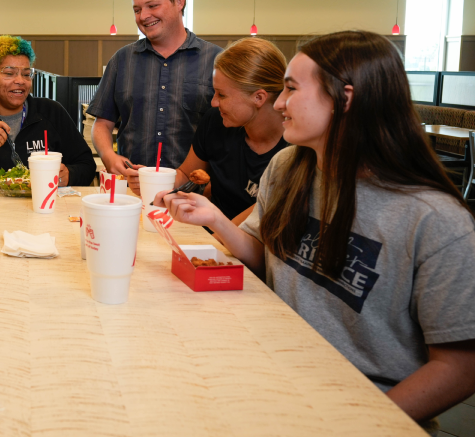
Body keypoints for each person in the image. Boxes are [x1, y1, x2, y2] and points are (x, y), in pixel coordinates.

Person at [158, 31, 475, 433]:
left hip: (357, 413)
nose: (277, 103)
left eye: (290, 89)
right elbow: (260, 253)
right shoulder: (289, 167)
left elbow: (460, 367)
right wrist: (216, 220)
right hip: (272, 381)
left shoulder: (435, 220)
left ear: (345, 99)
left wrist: (361, 423)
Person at [87, 0, 222, 195]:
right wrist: (110, 157)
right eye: (137, 9)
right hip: (133, 191)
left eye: (152, 6)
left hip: (195, 194)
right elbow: (102, 124)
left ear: (179, 1)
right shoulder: (122, 60)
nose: (143, 16)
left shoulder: (217, 61)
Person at [0, 35, 96, 186]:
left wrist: (69, 175)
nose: (20, 81)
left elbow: (87, 165)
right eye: (9, 73)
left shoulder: (51, 112)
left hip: (42, 206)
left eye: (26, 74)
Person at [173, 37, 289, 225]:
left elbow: (245, 232)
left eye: (222, 95)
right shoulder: (216, 121)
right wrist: (152, 180)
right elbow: (187, 174)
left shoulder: (293, 151)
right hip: (211, 235)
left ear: (259, 97)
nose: (213, 102)